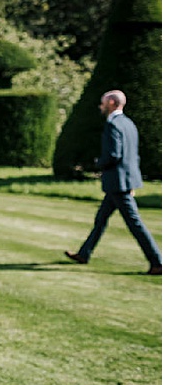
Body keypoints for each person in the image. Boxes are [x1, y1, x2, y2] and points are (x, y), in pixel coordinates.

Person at [65, 89, 161, 276]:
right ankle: (84, 253)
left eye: (102, 103)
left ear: (111, 103)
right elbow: (133, 156)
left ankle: (157, 262)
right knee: (100, 220)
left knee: (135, 223)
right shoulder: (129, 124)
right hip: (124, 180)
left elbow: (114, 155)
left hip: (117, 182)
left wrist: (97, 164)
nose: (100, 106)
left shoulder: (112, 124)